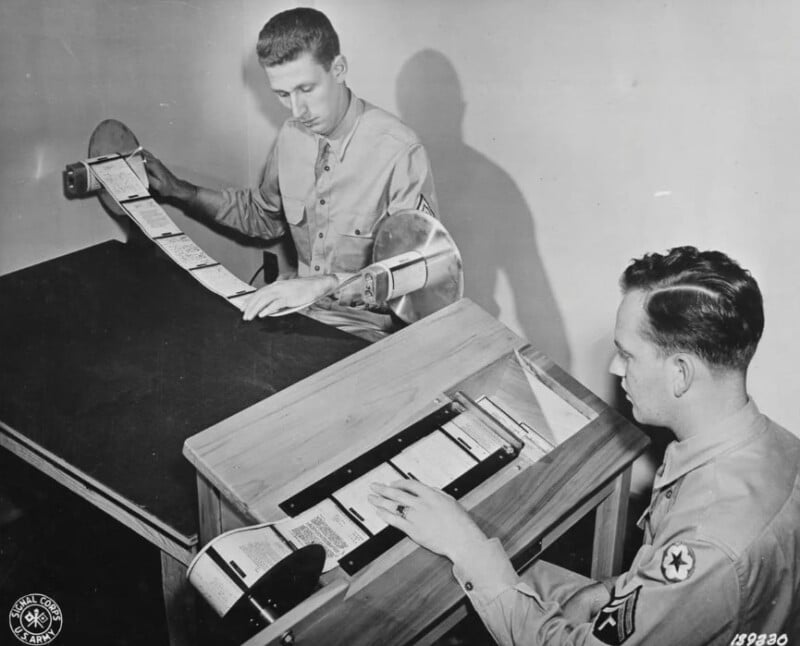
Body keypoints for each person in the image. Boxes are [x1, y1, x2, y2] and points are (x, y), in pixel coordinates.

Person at [370, 246, 800, 644]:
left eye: (628, 355)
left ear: (681, 373)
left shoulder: (707, 543)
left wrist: (463, 543)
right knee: (518, 572)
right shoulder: (776, 446)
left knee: (470, 570)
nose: (616, 367)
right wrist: (608, 591)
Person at [143, 7, 437, 342]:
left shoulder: (399, 150)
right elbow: (262, 216)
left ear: (338, 69)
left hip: (367, 333)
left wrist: (323, 285)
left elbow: (416, 273)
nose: (297, 111)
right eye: (283, 95)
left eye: (306, 89)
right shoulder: (291, 136)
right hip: (300, 317)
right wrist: (180, 191)